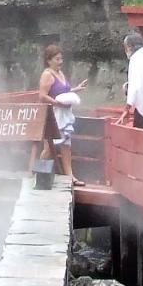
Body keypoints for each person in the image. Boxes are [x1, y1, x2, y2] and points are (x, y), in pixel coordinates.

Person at [37, 44, 88, 184]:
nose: (60, 62)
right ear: (49, 60)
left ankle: (70, 176)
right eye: (57, 59)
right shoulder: (47, 74)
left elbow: (65, 91)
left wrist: (76, 89)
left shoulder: (60, 73)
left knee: (66, 145)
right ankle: (39, 173)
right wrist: (57, 103)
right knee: (49, 148)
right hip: (53, 114)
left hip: (65, 114)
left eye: (61, 59)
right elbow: (42, 96)